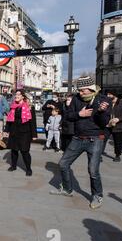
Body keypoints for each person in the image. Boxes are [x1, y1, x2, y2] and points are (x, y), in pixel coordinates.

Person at [50, 76, 111, 209]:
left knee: (93, 170)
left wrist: (100, 112)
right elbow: (67, 117)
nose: (80, 93)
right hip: (78, 138)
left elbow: (104, 123)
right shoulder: (76, 99)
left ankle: (97, 196)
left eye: (83, 90)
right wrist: (80, 114)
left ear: (91, 89)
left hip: (95, 139)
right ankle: (67, 189)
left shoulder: (103, 100)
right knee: (63, 164)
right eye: (79, 90)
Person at [4, 90, 37, 176]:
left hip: (25, 132)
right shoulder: (13, 106)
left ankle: (28, 169)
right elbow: (9, 120)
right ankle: (13, 166)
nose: (16, 96)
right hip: (14, 131)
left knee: (25, 151)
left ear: (23, 96)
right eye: (16, 94)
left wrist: (34, 135)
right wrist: (6, 130)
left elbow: (33, 122)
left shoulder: (29, 107)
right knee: (14, 150)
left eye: (18, 94)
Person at [102, 90, 122, 162]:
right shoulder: (107, 103)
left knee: (118, 142)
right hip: (107, 126)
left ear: (115, 95)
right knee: (102, 141)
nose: (108, 96)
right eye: (107, 94)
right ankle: (99, 155)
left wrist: (118, 119)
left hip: (119, 127)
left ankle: (117, 155)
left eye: (109, 94)